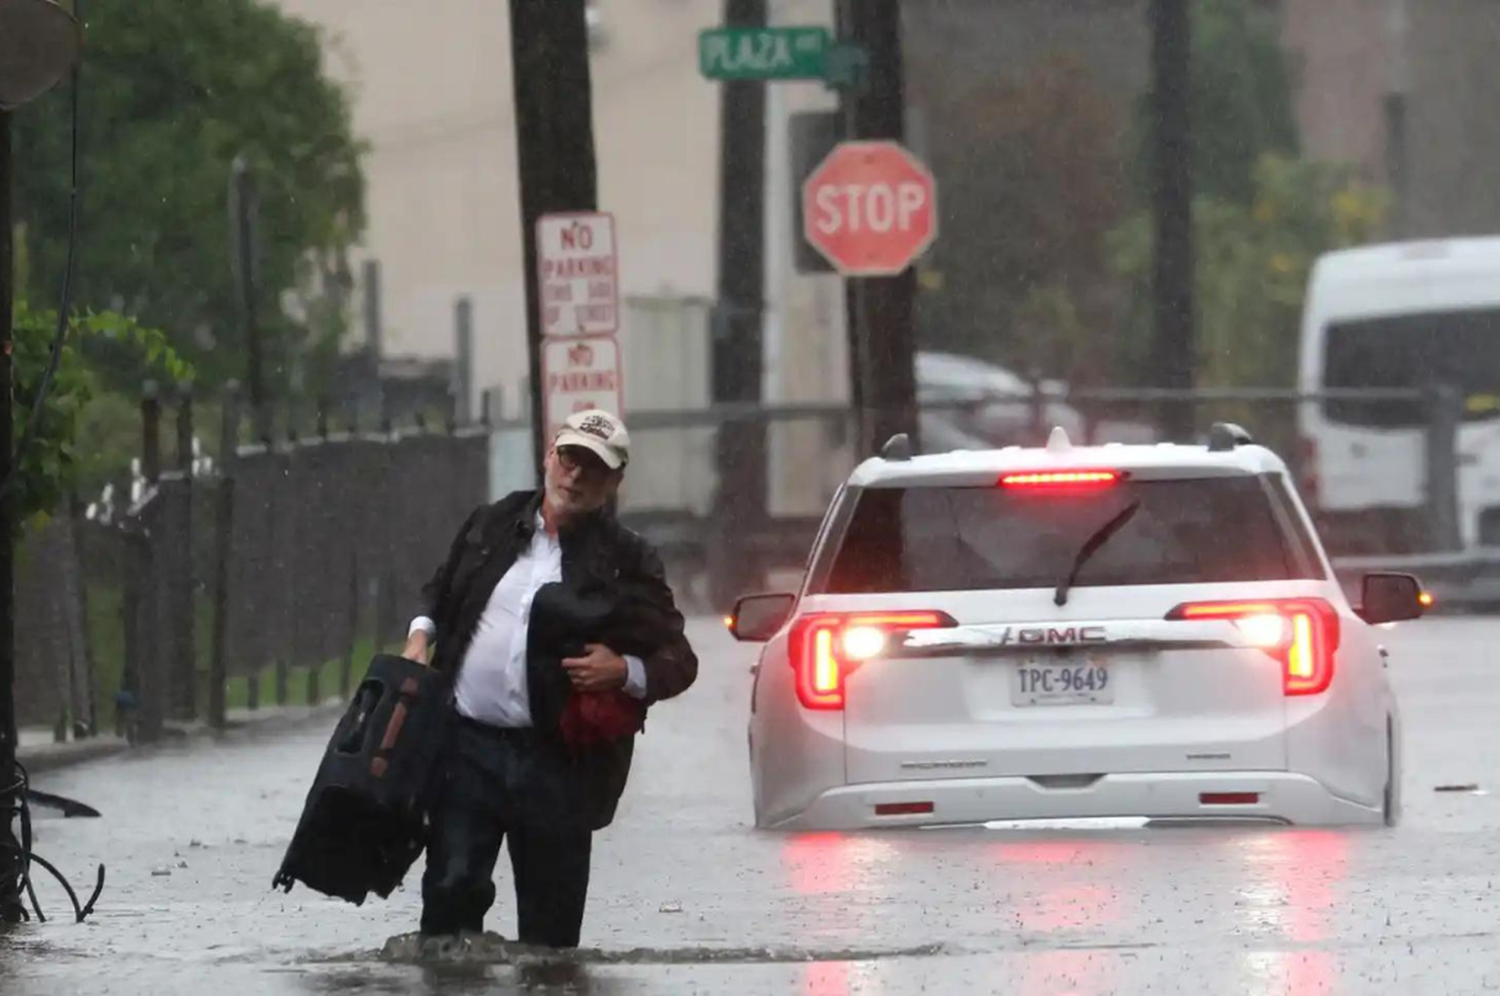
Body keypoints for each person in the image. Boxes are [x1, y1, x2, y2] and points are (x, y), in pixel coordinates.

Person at [404, 409, 698, 948]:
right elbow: (439, 591)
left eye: (595, 467)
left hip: (561, 765)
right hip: (467, 749)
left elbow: (679, 659)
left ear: (614, 481)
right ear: (549, 457)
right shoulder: (491, 524)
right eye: (570, 458)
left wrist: (624, 671)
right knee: (449, 899)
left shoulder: (628, 559)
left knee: (550, 937)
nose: (577, 475)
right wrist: (421, 634)